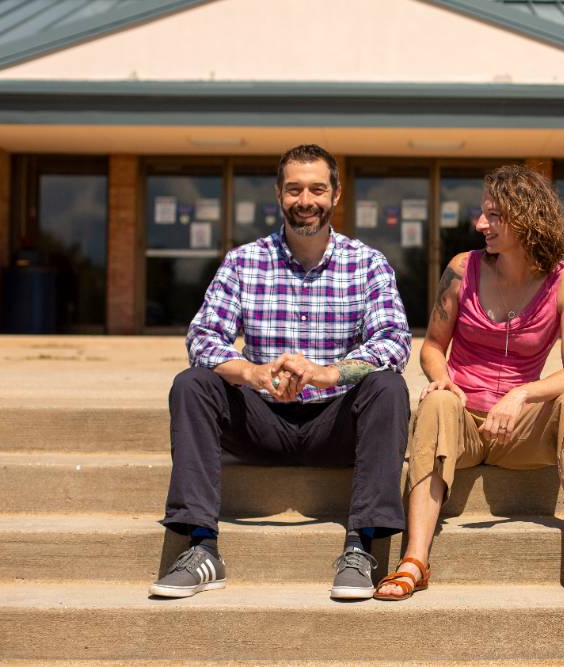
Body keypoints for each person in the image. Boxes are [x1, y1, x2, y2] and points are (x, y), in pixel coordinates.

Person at [150, 144, 412, 601]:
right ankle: (200, 547)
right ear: (278, 194)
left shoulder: (367, 263)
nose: (304, 200)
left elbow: (394, 340)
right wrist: (251, 372)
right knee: (192, 384)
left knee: (388, 387)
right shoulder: (243, 261)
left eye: (316, 189)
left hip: (336, 424)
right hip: (261, 421)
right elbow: (203, 338)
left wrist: (329, 374)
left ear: (336, 195)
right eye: (294, 189)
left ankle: (362, 546)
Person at [374, 165, 564, 602]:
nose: (481, 224)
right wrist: (444, 381)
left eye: (494, 215)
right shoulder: (463, 270)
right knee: (437, 403)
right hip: (462, 421)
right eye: (483, 214)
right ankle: (414, 560)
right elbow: (431, 348)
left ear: (526, 217)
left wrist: (521, 394)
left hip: (521, 430)